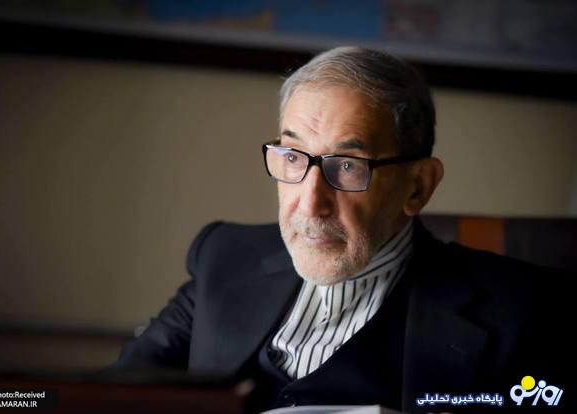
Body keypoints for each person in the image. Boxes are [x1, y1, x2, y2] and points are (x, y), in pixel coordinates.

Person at [110, 47, 570, 413]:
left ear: (418, 186)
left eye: (347, 166)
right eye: (293, 157)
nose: (311, 203)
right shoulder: (223, 256)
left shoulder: (523, 311)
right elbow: (118, 395)